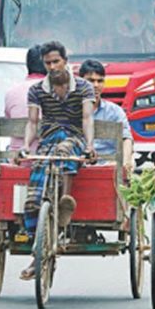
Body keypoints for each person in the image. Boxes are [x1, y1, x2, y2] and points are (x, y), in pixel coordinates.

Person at [19, 41, 96, 280]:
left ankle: (65, 199)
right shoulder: (36, 90)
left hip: (74, 138)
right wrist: (25, 146)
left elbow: (86, 118)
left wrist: (90, 145)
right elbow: (32, 122)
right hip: (48, 139)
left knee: (65, 148)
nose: (52, 67)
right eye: (48, 63)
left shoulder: (83, 87)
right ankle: (38, 249)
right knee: (32, 197)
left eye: (56, 62)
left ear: (65, 60)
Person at [78, 59, 134, 174]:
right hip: (79, 165)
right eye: (91, 81)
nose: (96, 85)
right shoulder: (71, 111)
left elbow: (127, 138)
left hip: (109, 165)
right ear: (80, 82)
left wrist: (125, 163)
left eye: (100, 81)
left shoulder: (115, 111)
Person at [4, 45, 46, 159]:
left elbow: (9, 121)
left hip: (17, 158)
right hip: (46, 158)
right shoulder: (56, 92)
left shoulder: (11, 92)